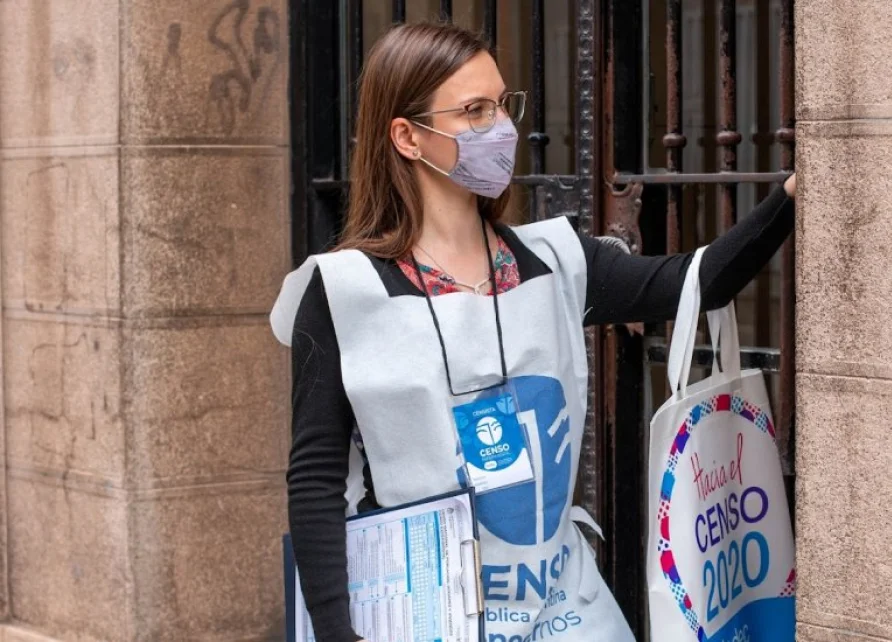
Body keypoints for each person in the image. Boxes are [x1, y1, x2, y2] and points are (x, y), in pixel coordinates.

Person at [269, 21, 796, 642]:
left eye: (503, 105)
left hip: (562, 608)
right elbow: (316, 479)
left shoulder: (555, 261)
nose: (501, 128)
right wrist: (337, 633)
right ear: (407, 137)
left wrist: (793, 193)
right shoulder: (343, 292)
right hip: (428, 613)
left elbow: (697, 283)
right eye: (474, 111)